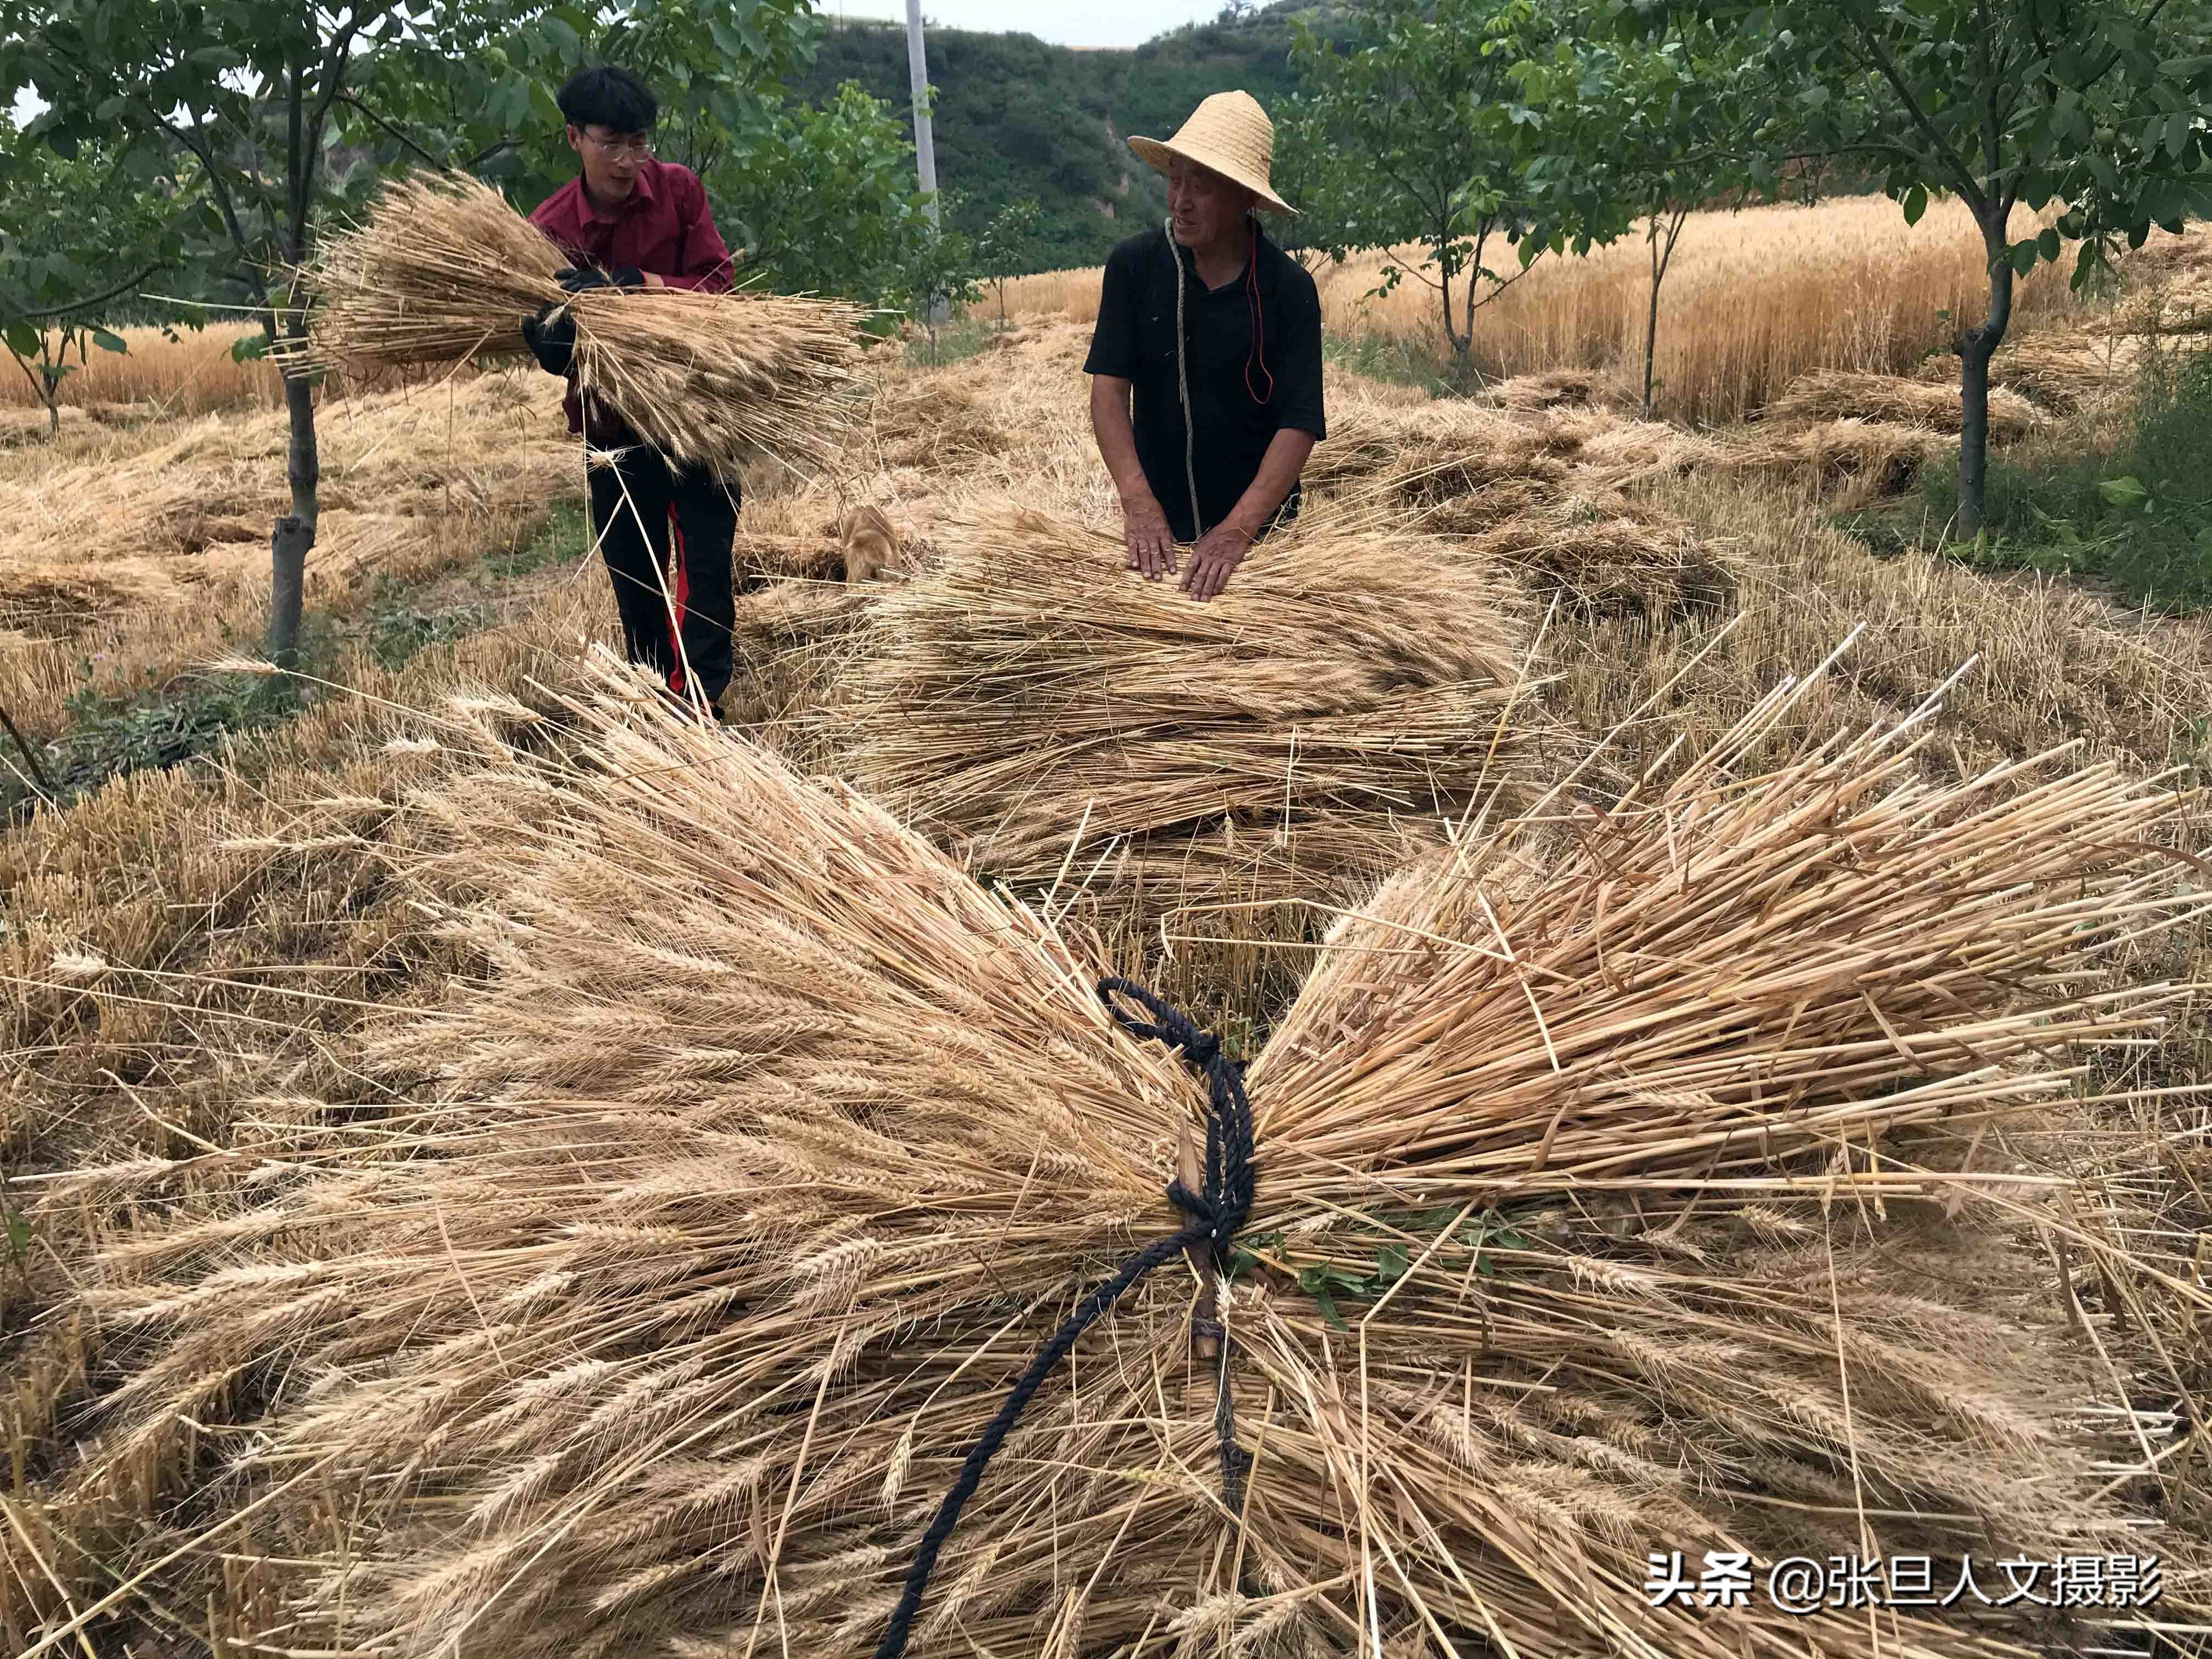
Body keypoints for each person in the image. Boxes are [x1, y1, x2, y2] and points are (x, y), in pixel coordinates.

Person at [520, 65, 748, 718]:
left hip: (699, 412)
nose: (627, 159)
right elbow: (542, 334)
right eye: (610, 142)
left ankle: (702, 703)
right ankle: (655, 701)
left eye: (638, 142)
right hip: (613, 426)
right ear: (574, 139)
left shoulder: (679, 193)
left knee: (705, 560)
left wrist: (643, 285)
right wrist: (551, 342)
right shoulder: (549, 229)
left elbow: (721, 290)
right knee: (635, 573)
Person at [1084, 90, 1326, 603]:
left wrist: (1238, 531)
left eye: (1203, 186)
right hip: (1157, 539)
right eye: (1175, 181)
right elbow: (1108, 393)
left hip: (1262, 543)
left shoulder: (1289, 290)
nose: (1181, 203)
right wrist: (1138, 501)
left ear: (1245, 197)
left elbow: (1299, 422)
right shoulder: (1134, 268)